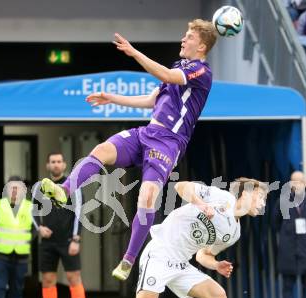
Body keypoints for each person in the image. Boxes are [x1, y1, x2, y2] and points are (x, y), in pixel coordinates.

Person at [40, 19, 218, 281]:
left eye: (189, 36)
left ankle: (128, 260)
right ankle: (64, 190)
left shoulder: (201, 72)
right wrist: (113, 98)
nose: (183, 39)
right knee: (101, 150)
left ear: (201, 45)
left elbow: (167, 76)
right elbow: (151, 100)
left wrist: (134, 53)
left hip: (168, 142)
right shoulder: (178, 67)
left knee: (146, 197)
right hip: (147, 133)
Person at [90, 178, 268, 298]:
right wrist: (201, 205)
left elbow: (203, 255)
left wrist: (215, 265)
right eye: (260, 197)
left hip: (181, 263)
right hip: (161, 252)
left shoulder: (234, 233)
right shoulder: (222, 198)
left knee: (217, 296)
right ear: (246, 193)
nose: (263, 203)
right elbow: (181, 186)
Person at [33, 153, 85, 298]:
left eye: (59, 162)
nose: (56, 165)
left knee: (73, 278)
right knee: (47, 280)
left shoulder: (72, 185)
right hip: (48, 242)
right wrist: (39, 228)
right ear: (48, 165)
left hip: (68, 241)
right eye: (53, 162)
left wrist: (76, 238)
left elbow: (79, 213)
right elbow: (33, 211)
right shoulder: (40, 187)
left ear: (64, 165)